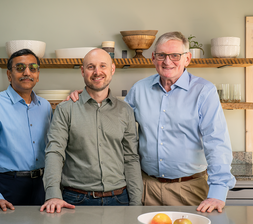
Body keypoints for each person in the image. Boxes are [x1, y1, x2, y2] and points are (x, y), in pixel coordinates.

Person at [68, 32, 236, 213]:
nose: (167, 61)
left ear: (187, 58)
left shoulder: (204, 91)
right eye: (162, 55)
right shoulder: (140, 89)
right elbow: (114, 118)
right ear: (153, 58)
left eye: (175, 56)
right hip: (146, 188)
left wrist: (217, 192)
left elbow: (217, 143)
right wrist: (87, 96)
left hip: (190, 189)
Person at [40, 48, 143, 213]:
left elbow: (131, 159)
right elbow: (54, 152)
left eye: (103, 66)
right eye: (91, 67)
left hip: (119, 200)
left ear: (112, 69)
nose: (97, 72)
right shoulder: (65, 109)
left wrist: (136, 204)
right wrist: (53, 194)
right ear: (82, 71)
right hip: (75, 200)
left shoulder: (125, 111)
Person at [0, 49, 52, 212]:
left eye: (32, 68)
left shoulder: (45, 106)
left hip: (41, 186)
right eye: (20, 67)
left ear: (38, 74)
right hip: (7, 187)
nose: (27, 72)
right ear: (9, 75)